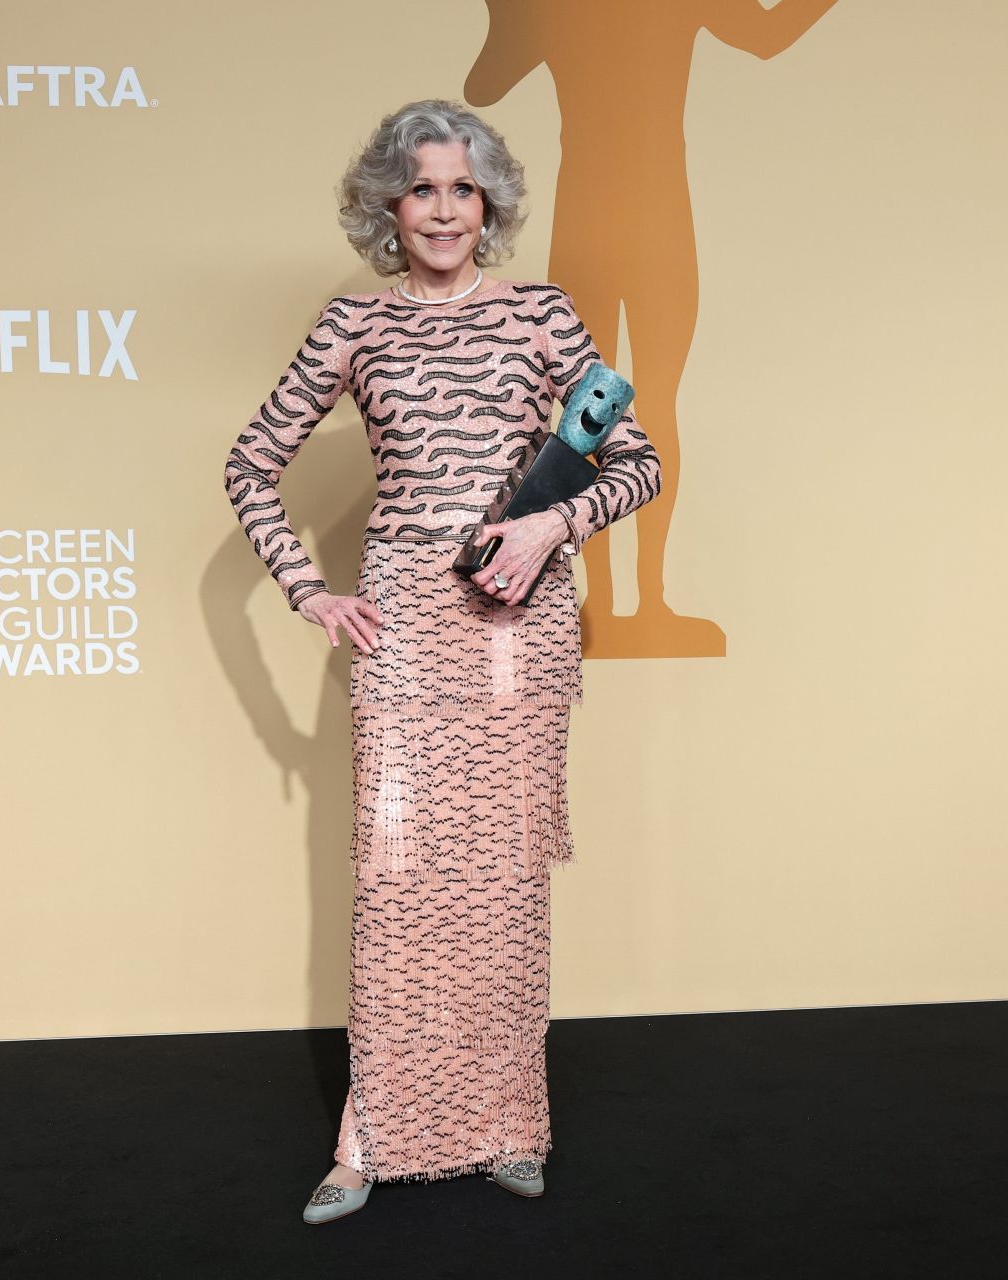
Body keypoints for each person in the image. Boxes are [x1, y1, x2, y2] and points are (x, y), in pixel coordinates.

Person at [221, 99, 663, 1225]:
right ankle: (369, 1138)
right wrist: (308, 587)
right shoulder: (351, 328)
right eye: (421, 188)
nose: (443, 209)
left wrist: (548, 527)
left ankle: (511, 1125)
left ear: (491, 202)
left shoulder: (540, 316)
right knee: (400, 881)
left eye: (462, 188)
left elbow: (638, 461)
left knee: (504, 885)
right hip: (409, 622)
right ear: (389, 204)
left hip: (520, 627)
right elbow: (251, 464)